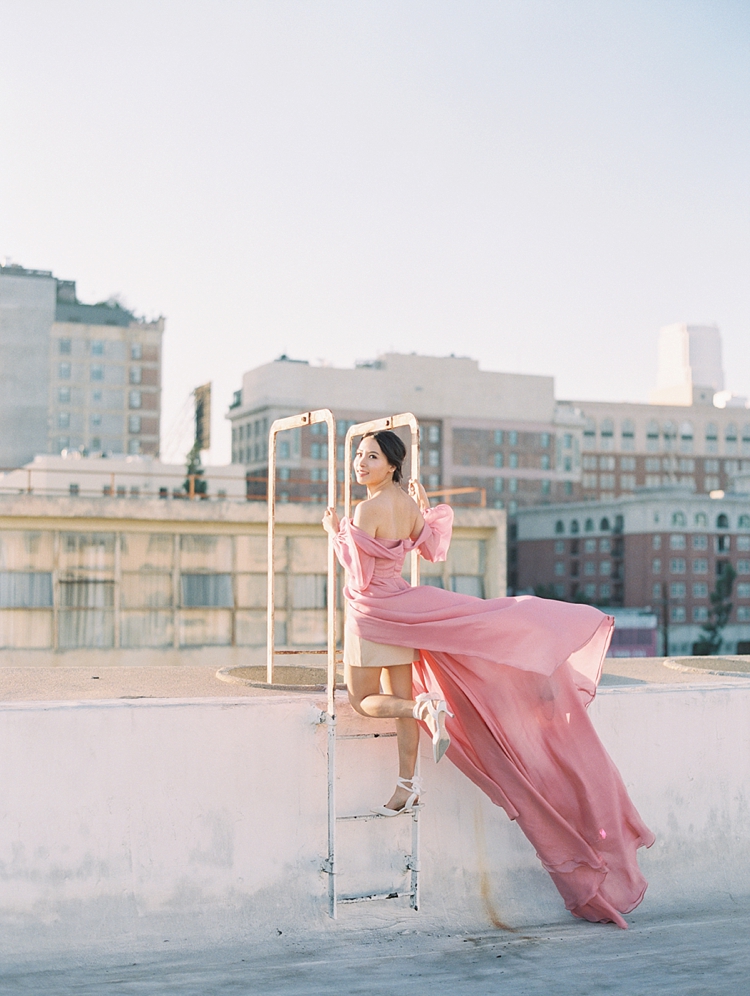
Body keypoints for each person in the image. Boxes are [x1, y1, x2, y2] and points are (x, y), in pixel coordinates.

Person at [322, 429, 654, 928]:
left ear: (391, 465)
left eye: (370, 457)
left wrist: (335, 531)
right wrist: (421, 507)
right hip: (408, 609)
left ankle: (421, 711)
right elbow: (430, 550)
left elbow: (360, 577)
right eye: (357, 456)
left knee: (363, 698)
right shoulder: (407, 506)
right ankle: (405, 782)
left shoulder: (365, 512)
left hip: (373, 611)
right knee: (399, 683)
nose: (359, 464)